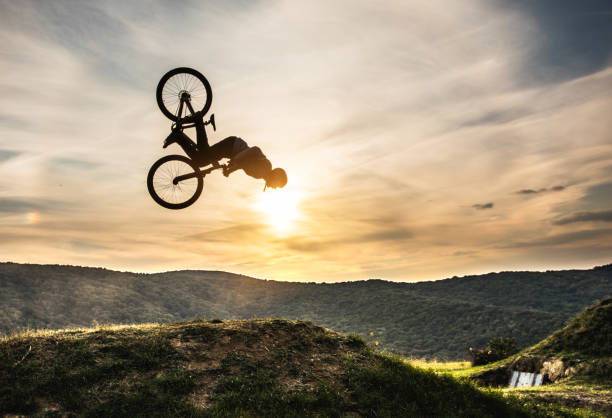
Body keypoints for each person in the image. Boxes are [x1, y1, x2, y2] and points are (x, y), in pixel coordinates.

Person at [166, 111, 287, 189]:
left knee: (200, 159)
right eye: (277, 185)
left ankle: (184, 134)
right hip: (232, 146)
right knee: (202, 158)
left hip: (230, 151)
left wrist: (230, 170)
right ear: (276, 176)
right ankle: (195, 124)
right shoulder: (266, 166)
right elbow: (255, 150)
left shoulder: (260, 175)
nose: (274, 188)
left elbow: (243, 164)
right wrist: (236, 159)